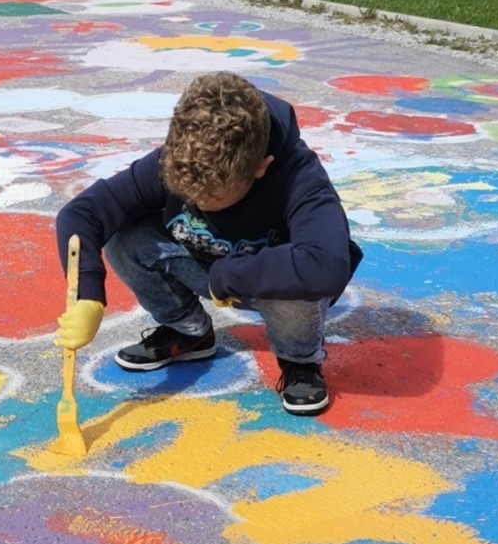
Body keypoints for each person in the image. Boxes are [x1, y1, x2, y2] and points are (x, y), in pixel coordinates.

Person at [53, 72, 363, 416]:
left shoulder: (299, 178)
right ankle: (189, 334)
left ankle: (299, 360)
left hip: (266, 281)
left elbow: (327, 265)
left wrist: (229, 275)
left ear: (261, 168)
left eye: (212, 196)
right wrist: (87, 295)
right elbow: (84, 212)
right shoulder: (184, 156)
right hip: (207, 262)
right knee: (121, 230)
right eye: (187, 192)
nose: (197, 203)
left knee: (299, 279)